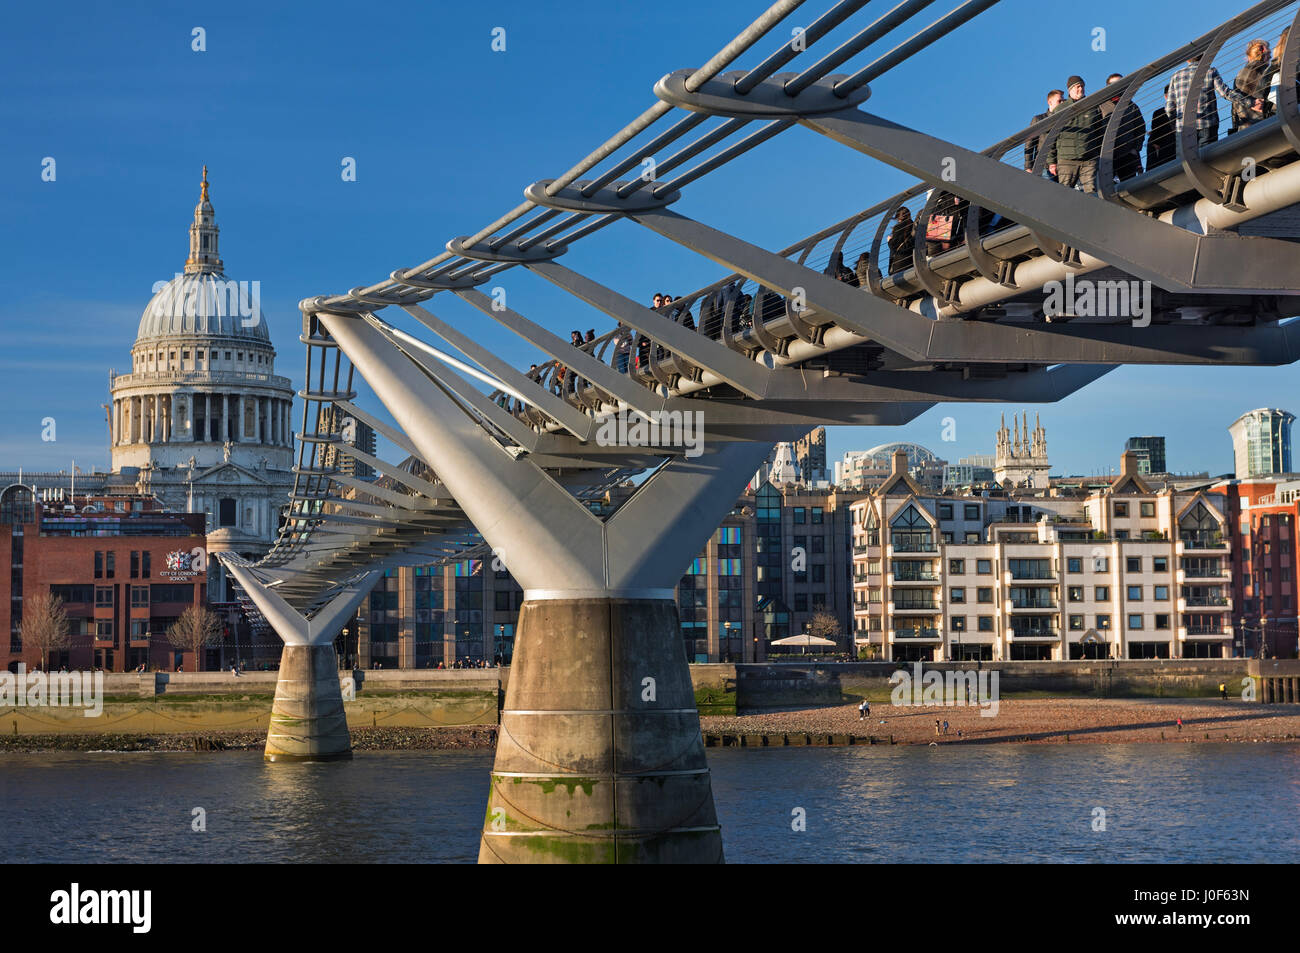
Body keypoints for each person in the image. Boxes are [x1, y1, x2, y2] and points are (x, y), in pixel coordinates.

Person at [1166, 56, 1259, 149]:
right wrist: (1251, 102)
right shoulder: (1209, 71)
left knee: (1184, 162)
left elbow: (1170, 108)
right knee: (1207, 160)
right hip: (1207, 125)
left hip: (1184, 129)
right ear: (1203, 56)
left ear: (1187, 59)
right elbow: (1225, 93)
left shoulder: (1176, 76)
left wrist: (1176, 126)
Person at [1047, 76, 1101, 193]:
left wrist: (1097, 153)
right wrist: (1051, 162)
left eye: (1082, 86)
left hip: (1089, 158)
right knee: (1065, 193)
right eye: (1077, 87)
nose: (1080, 89)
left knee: (1091, 192)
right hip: (1066, 159)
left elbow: (1100, 131)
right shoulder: (1060, 109)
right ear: (1070, 90)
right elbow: (1051, 138)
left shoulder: (1093, 106)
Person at [1099, 73, 1146, 182]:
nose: (1119, 86)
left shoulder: (1132, 106)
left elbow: (1140, 128)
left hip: (1128, 155)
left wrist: (1135, 148)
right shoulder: (1101, 106)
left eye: (1122, 83)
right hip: (1107, 156)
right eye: (1115, 84)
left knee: (1131, 187)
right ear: (1108, 87)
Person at [1233, 40, 1272, 132]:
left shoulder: (1240, 74)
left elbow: (1235, 104)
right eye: (1269, 52)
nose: (1270, 56)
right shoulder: (1265, 71)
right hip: (1263, 125)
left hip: (1243, 127)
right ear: (1261, 51)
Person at [1025, 89, 1064, 174]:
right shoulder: (1039, 119)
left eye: (1063, 101)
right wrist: (1028, 167)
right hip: (1043, 166)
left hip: (1062, 165)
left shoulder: (1066, 119)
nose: (1062, 103)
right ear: (1050, 102)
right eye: (1059, 101)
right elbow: (1029, 144)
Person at [1147, 85, 1176, 169]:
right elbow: (1155, 138)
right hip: (1165, 157)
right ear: (1165, 96)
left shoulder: (1186, 111)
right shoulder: (1158, 113)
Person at [886, 206, 914, 275]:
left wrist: (889, 240)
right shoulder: (914, 225)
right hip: (912, 260)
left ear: (898, 217)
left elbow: (894, 246)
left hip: (900, 263)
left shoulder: (898, 227)